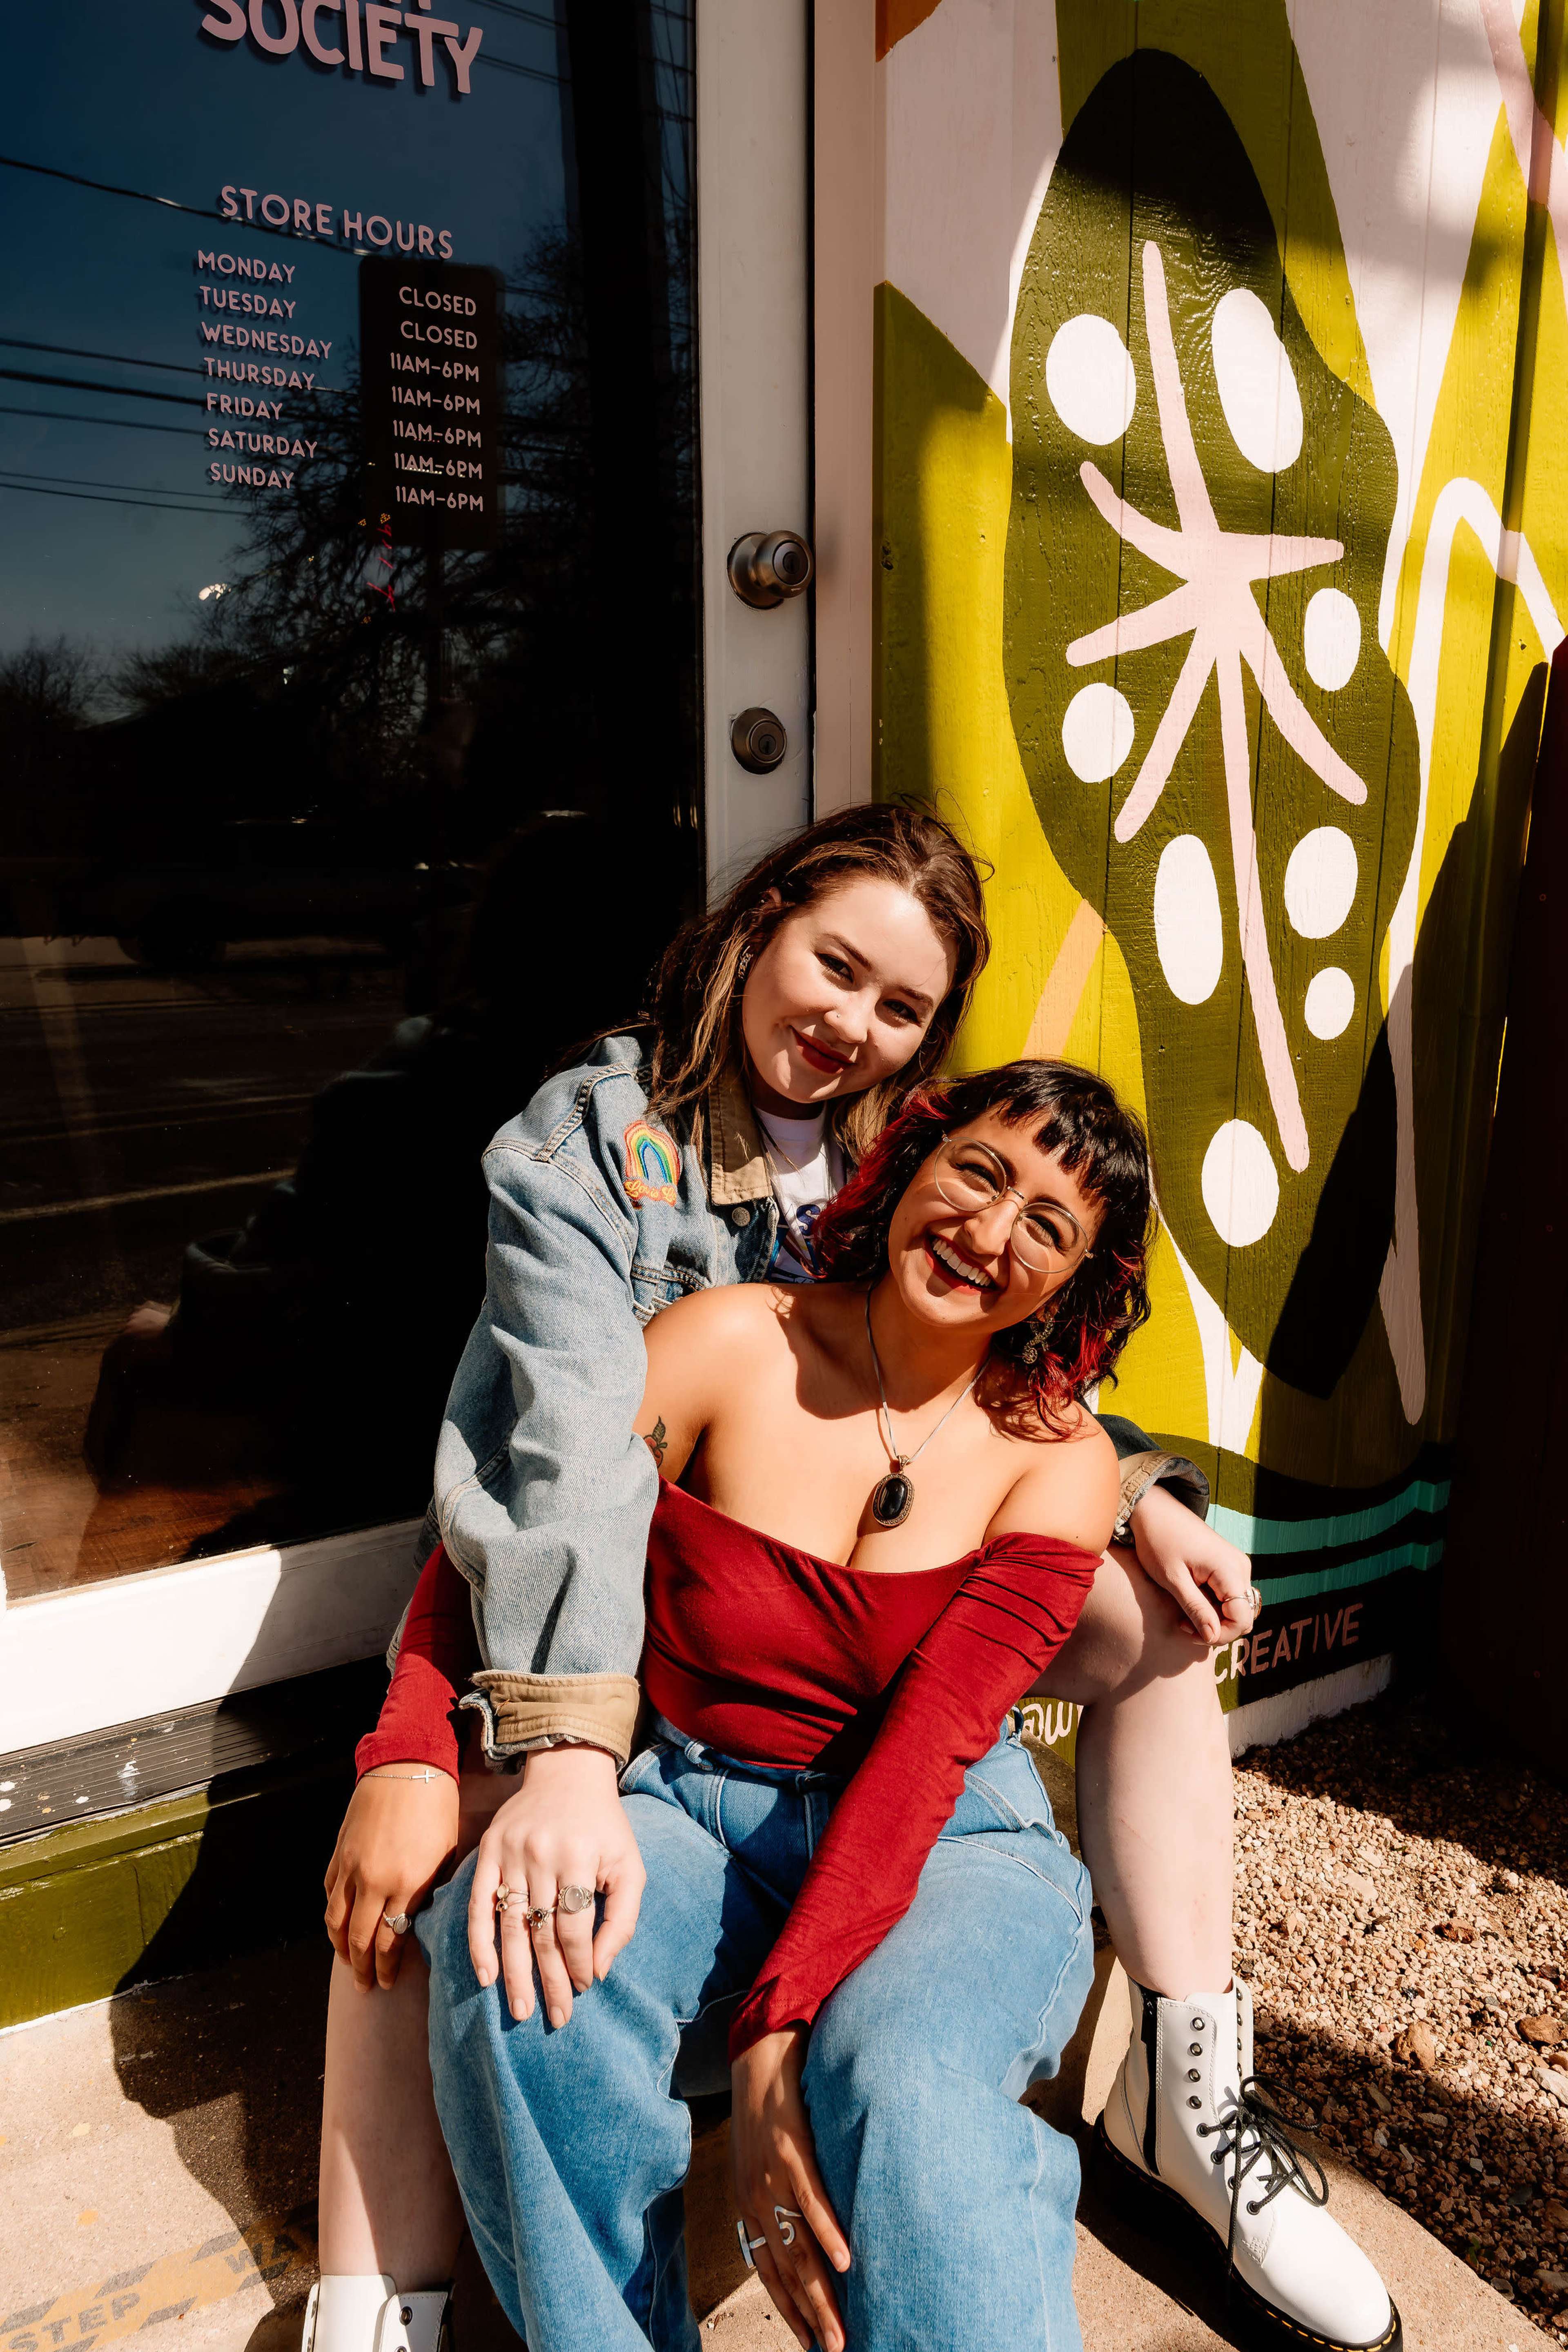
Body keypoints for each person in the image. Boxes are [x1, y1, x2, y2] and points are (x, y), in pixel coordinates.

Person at [310, 808, 1394, 2352]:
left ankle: (1186, 2082)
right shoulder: (599, 1162)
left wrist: (1120, 1484)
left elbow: (977, 1331)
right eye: (836, 966)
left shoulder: (901, 1181)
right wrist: (424, 1742)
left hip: (922, 1771)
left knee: (1150, 1641)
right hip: (649, 1692)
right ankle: (382, 2302)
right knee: (496, 1916)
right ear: (760, 921)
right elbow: (527, 1476)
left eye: (901, 1009)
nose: (852, 1026)